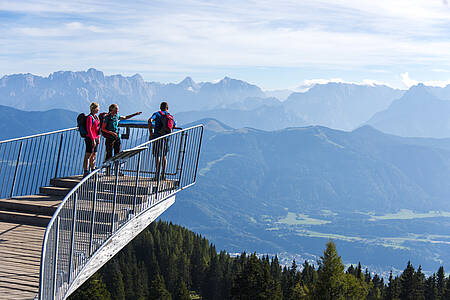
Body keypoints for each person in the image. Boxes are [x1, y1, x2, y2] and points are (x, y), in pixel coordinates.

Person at [147, 101, 179, 180]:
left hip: (157, 137)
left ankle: (157, 174)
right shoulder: (169, 116)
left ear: (160, 107)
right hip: (166, 138)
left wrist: (151, 133)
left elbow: (150, 120)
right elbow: (174, 125)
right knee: (164, 156)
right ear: (167, 108)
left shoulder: (157, 114)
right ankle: (163, 175)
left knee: (157, 156)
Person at [83, 102, 100, 177]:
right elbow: (89, 129)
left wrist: (98, 138)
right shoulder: (90, 117)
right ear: (94, 109)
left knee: (94, 154)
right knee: (88, 154)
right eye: (97, 108)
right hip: (90, 138)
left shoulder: (96, 117)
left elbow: (97, 129)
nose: (98, 109)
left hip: (95, 137)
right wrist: (93, 139)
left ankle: (93, 169)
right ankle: (86, 171)